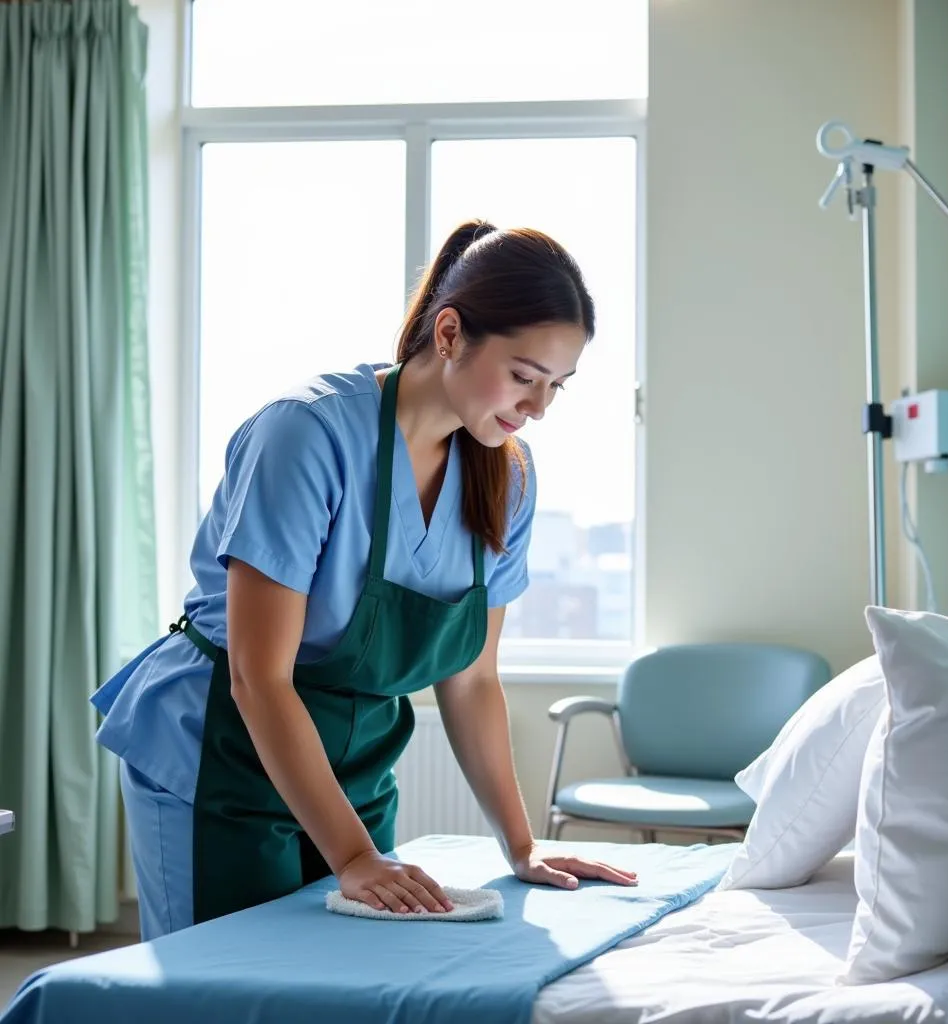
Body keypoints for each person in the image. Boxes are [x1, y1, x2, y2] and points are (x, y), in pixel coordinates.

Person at [91, 220, 638, 940]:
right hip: (221, 749)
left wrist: (521, 844)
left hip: (353, 764)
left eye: (556, 387)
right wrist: (352, 854)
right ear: (449, 334)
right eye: (523, 376)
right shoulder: (306, 435)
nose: (537, 407)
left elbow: (471, 681)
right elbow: (261, 678)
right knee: (225, 986)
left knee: (344, 983)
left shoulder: (508, 476)